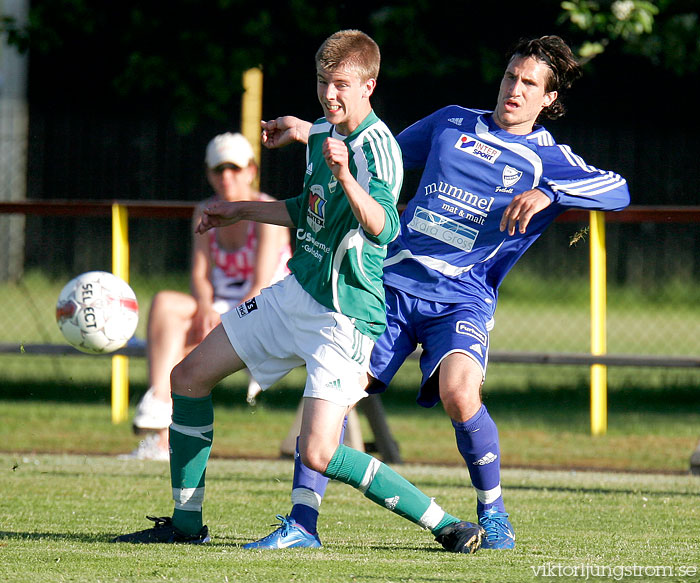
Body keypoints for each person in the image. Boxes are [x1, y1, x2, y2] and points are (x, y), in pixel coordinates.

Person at [249, 35, 630, 550]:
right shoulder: (452, 120)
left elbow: (618, 188)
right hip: (392, 284)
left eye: (529, 84)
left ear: (548, 99)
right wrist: (309, 131)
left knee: (459, 391)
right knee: (331, 396)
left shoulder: (549, 160)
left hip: (462, 297)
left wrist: (551, 191)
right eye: (511, 76)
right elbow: (378, 148)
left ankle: (492, 513)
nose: (514, 89)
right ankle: (301, 524)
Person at [112, 29, 485, 554]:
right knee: (187, 377)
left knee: (317, 450)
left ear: (368, 86)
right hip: (294, 294)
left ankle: (447, 525)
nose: (329, 95)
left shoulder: (379, 150)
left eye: (340, 85)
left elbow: (383, 228)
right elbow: (303, 209)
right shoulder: (321, 135)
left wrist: (346, 174)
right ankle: (186, 525)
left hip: (344, 315)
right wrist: (238, 209)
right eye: (321, 83)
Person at [119, 132, 291, 461]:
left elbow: (259, 286)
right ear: (209, 173)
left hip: (270, 309)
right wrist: (205, 307)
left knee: (182, 350)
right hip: (226, 307)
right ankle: (159, 402)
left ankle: (162, 439)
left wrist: (219, 322)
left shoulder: (268, 212)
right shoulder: (204, 209)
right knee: (165, 304)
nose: (227, 177)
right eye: (218, 169)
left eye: (235, 168)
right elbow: (199, 275)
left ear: (252, 171)